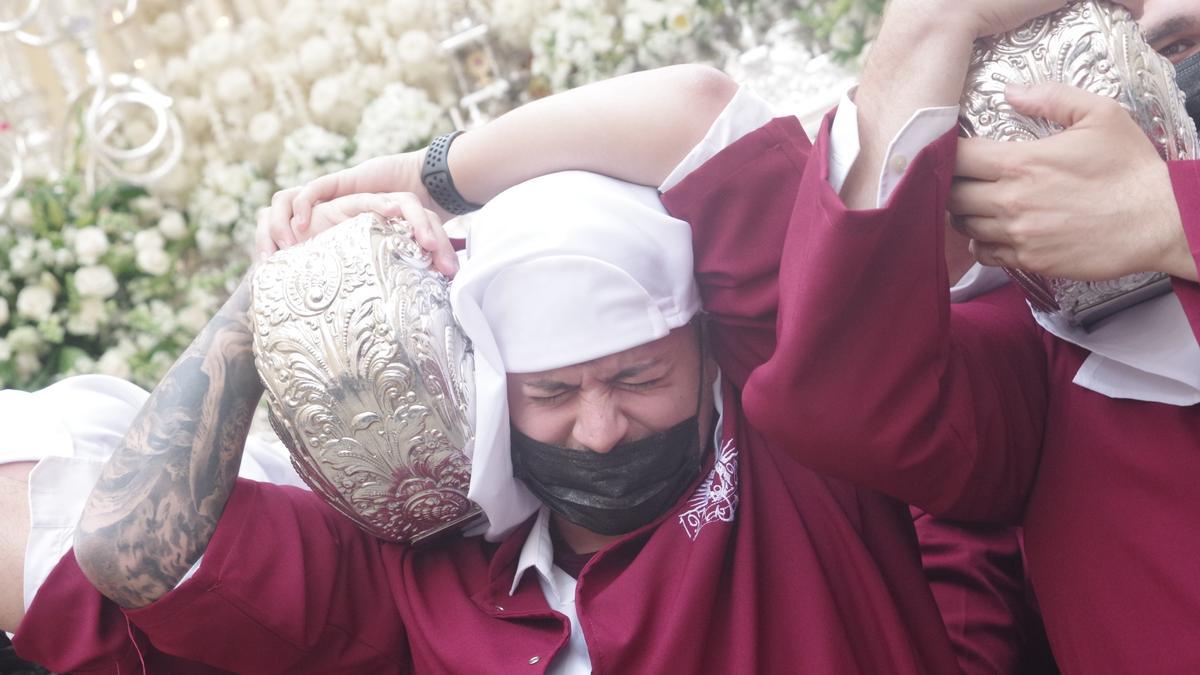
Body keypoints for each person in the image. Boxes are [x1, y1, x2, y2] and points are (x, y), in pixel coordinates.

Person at [6, 62, 995, 673]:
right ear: (486, 393)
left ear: (706, 346)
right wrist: (270, 297)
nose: (599, 429)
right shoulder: (428, 573)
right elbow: (133, 548)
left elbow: (695, 111)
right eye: (552, 393)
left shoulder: (786, 436)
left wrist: (415, 176)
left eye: (640, 378)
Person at [714, 0, 1200, 672]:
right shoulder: (1047, 360)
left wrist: (1176, 216)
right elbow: (842, 395)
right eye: (1169, 51)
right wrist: (928, 26)